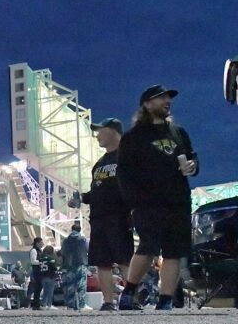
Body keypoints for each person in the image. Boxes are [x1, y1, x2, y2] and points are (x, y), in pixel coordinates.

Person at [116, 85, 199, 311]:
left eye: (168, 97)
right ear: (147, 104)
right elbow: (123, 172)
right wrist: (134, 202)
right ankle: (129, 291)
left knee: (174, 252)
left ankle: (165, 301)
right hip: (148, 204)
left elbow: (192, 156)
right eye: (160, 97)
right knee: (148, 247)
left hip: (178, 202)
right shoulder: (134, 136)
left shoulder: (178, 132)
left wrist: (193, 165)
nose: (167, 101)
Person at [75, 117, 133, 310]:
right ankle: (108, 302)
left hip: (119, 216)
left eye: (101, 130)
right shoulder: (99, 164)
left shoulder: (127, 156)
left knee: (125, 259)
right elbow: (97, 191)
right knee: (103, 262)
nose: (97, 135)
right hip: (98, 219)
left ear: (113, 131)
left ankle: (132, 300)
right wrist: (82, 198)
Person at [60, 221, 89, 310]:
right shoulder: (83, 239)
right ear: (80, 230)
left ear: (71, 230)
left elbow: (63, 252)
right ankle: (81, 305)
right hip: (81, 264)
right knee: (81, 285)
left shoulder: (65, 240)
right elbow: (87, 250)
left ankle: (70, 305)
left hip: (69, 265)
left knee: (70, 285)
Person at [38, 245, 58, 309]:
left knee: (45, 291)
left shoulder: (41, 258)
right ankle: (49, 305)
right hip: (50, 276)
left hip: (42, 277)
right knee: (50, 291)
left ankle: (43, 304)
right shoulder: (51, 258)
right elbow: (54, 267)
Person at [27, 236, 45, 310]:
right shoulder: (34, 250)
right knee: (37, 288)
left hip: (40, 271)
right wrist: (41, 262)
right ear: (37, 243)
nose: (42, 244)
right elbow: (33, 261)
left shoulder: (40, 250)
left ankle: (37, 304)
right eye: (41, 242)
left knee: (39, 288)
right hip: (36, 271)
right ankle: (35, 305)